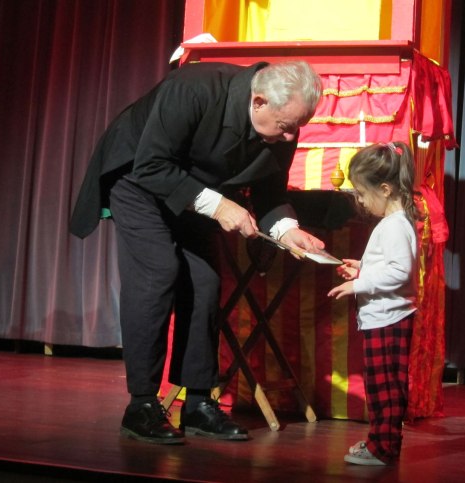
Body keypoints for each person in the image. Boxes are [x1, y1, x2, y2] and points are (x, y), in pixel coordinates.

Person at [70, 60, 325, 444]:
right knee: (158, 270)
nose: (291, 136)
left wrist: (288, 230)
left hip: (194, 191)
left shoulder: (283, 127)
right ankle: (141, 404)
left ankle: (198, 404)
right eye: (286, 126)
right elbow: (152, 165)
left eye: (297, 127)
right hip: (139, 178)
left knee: (205, 282)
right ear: (258, 101)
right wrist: (220, 206)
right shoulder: (194, 87)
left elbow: (270, 191)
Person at [327, 141, 418, 466]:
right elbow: (390, 266)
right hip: (384, 317)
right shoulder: (394, 223)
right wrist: (362, 269)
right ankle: (381, 442)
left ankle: (383, 448)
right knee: (381, 387)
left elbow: (400, 271)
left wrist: (358, 284)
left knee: (385, 388)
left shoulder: (395, 225)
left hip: (389, 318)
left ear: (385, 189)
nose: (361, 201)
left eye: (363, 194)